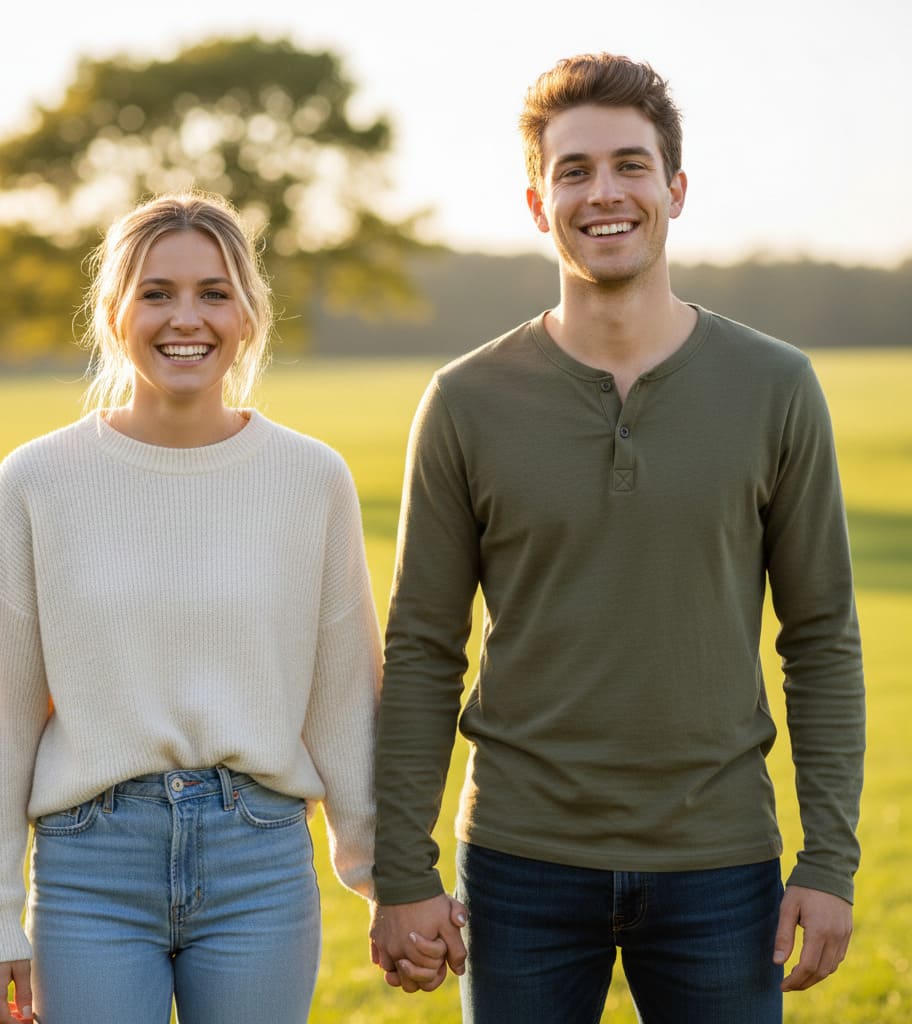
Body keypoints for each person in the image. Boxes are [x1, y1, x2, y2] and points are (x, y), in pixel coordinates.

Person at [369, 53, 865, 1023]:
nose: (605, 192)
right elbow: (423, 646)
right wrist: (402, 869)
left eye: (631, 166)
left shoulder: (775, 388)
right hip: (518, 866)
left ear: (675, 191)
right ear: (534, 201)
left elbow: (820, 637)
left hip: (721, 868)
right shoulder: (464, 401)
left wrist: (830, 859)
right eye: (574, 169)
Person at [0, 191, 384, 1024]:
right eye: (157, 293)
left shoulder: (311, 479)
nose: (187, 317)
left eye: (214, 292)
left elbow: (342, 698)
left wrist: (383, 880)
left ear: (250, 315)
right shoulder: (37, 482)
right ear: (114, 314)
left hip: (258, 861)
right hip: (90, 870)